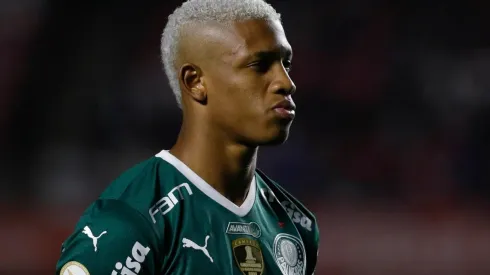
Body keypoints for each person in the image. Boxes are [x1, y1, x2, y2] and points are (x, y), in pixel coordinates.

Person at [55, 0, 319, 274]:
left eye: (285, 63)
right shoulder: (132, 222)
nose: (286, 82)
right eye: (259, 65)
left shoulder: (295, 224)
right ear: (195, 82)